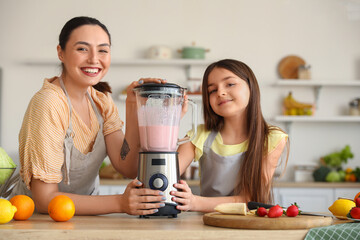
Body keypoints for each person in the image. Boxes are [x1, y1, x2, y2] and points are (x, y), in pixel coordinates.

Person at [7, 16, 167, 216]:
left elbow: (126, 166)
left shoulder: (101, 101)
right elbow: (43, 199)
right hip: (39, 222)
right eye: (82, 49)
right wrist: (119, 203)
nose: (94, 59)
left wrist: (133, 104)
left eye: (103, 50)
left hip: (85, 219)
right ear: (61, 53)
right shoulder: (49, 103)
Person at [171, 59, 289, 212]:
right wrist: (172, 120)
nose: (220, 92)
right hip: (207, 224)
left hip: (249, 228)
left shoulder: (272, 138)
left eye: (230, 84)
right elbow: (165, 173)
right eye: (212, 90)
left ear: (251, 87)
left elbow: (250, 199)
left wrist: (195, 203)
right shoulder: (200, 134)